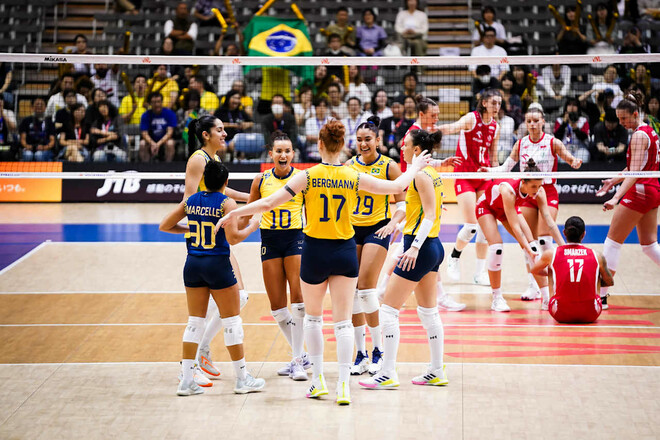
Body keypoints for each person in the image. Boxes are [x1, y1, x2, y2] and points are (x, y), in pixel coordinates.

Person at [215, 120, 432, 405]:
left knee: (313, 320)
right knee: (343, 324)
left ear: (319, 144)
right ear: (342, 145)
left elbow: (268, 203)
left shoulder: (307, 176)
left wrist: (233, 214)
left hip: (315, 251)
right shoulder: (353, 174)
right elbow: (396, 186)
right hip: (344, 250)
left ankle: (318, 381)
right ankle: (343, 386)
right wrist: (415, 166)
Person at [160, 160, 265, 396]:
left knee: (194, 322)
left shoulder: (191, 200)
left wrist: (190, 229)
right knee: (232, 321)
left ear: (204, 180)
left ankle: (186, 381)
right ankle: (242, 379)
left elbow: (165, 225)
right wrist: (253, 227)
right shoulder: (227, 203)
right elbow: (234, 238)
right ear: (226, 182)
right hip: (217, 265)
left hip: (193, 264)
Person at [358, 129, 448, 390]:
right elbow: (422, 210)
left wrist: (414, 247)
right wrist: (400, 226)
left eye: (406, 144)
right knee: (428, 312)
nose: (401, 146)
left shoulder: (419, 175)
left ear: (416, 150)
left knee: (388, 309)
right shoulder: (430, 173)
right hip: (433, 247)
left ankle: (387, 373)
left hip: (420, 248)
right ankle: (436, 369)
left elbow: (430, 215)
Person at [484, 107, 582, 301]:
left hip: (547, 191)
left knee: (544, 238)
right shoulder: (520, 144)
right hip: (526, 194)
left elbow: (568, 158)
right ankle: (534, 286)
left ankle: (554, 281)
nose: (532, 124)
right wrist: (490, 171)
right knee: (530, 242)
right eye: (529, 121)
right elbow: (506, 168)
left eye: (536, 121)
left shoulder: (552, 142)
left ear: (543, 121)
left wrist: (574, 162)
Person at [181, 115, 249, 382]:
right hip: (204, 239)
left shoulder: (214, 159)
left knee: (239, 297)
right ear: (206, 135)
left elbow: (221, 191)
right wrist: (197, 228)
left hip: (217, 235)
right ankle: (193, 359)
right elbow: (189, 199)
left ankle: (200, 351)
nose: (225, 134)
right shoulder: (198, 159)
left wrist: (251, 198)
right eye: (219, 130)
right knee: (230, 300)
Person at [246, 131, 309, 380]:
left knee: (299, 302)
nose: (283, 155)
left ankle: (297, 361)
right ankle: (301, 355)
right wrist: (234, 229)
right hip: (270, 241)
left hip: (295, 239)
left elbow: (311, 212)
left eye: (287, 151)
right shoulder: (260, 180)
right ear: (271, 153)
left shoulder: (302, 178)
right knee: (278, 308)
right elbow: (250, 211)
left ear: (293, 153)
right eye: (279, 151)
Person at [346, 116, 406, 376]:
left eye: (368, 139)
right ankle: (360, 353)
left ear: (378, 140)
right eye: (359, 140)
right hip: (350, 230)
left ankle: (378, 350)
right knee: (352, 292)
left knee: (366, 289)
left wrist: (393, 224)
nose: (363, 144)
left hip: (378, 229)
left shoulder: (389, 166)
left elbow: (403, 203)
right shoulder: (349, 166)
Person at [596, 91, 660, 310]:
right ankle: (602, 295)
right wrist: (614, 181)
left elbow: (634, 172)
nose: (621, 123)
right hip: (652, 190)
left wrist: (616, 197)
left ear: (635, 114)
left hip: (640, 191)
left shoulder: (639, 136)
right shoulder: (649, 131)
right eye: (618, 118)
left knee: (612, 242)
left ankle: (601, 297)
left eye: (624, 118)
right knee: (649, 246)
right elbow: (635, 167)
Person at [476, 160, 567, 312]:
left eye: (539, 186)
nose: (536, 190)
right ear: (523, 182)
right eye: (533, 186)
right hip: (487, 207)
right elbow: (515, 227)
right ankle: (497, 298)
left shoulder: (539, 191)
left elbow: (550, 222)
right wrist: (527, 249)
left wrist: (565, 248)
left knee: (533, 248)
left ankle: (546, 299)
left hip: (509, 208)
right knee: (497, 247)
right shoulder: (509, 191)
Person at [439, 89, 502, 287]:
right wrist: (432, 128)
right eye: (493, 103)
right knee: (471, 226)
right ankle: (454, 256)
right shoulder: (471, 119)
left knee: (485, 228)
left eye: (499, 103)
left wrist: (497, 177)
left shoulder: (496, 127)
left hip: (483, 178)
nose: (497, 107)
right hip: (464, 176)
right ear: (484, 103)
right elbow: (452, 127)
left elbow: (493, 158)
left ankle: (479, 273)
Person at [531, 216, 614, 324]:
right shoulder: (597, 255)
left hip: (560, 314)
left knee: (552, 268)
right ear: (583, 234)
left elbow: (534, 270)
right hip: (591, 314)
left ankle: (548, 301)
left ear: (564, 233)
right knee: (596, 272)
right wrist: (589, 281)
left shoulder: (551, 254)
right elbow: (610, 281)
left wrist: (559, 276)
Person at [215, 90, 253, 160]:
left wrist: (245, 124)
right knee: (222, 149)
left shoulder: (240, 112)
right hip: (222, 138)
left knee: (237, 146)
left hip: (237, 139)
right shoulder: (220, 111)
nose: (236, 100)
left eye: (238, 98)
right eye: (234, 98)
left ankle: (239, 165)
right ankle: (219, 165)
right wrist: (234, 125)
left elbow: (251, 122)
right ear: (228, 98)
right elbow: (216, 124)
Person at [139, 92, 177, 162]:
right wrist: (152, 143)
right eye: (154, 102)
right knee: (142, 143)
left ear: (162, 102)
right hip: (150, 140)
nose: (157, 104)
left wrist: (158, 144)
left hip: (165, 140)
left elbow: (169, 133)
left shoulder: (169, 113)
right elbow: (144, 133)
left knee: (170, 143)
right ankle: (145, 166)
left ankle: (168, 165)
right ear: (150, 103)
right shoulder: (146, 115)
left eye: (158, 102)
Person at [304, 97, 330, 161]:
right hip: (312, 151)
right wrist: (326, 138)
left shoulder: (331, 120)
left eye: (324, 106)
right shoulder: (309, 121)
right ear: (315, 108)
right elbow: (309, 137)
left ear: (326, 108)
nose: (321, 108)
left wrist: (316, 138)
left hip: (328, 151)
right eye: (319, 106)